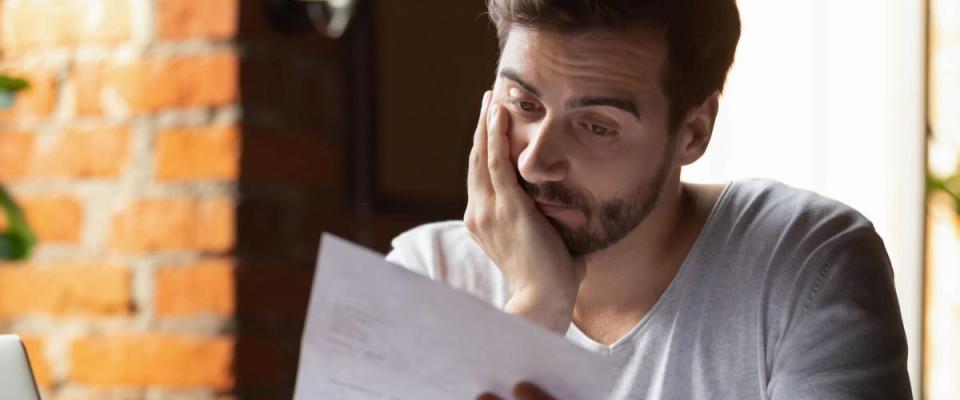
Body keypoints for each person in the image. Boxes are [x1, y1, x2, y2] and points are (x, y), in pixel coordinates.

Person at [385, 0, 913, 398]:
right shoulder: (425, 275)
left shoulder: (804, 267)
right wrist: (536, 308)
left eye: (595, 126)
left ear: (693, 132)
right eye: (523, 104)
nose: (533, 162)